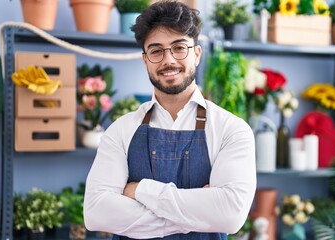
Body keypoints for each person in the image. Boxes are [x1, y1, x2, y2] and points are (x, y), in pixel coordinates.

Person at [83, 1, 256, 239]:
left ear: (196, 53)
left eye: (179, 48)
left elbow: (230, 215)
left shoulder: (231, 130)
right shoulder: (121, 130)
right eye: (156, 51)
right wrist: (195, 218)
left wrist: (140, 190)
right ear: (145, 60)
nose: (169, 60)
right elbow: (96, 213)